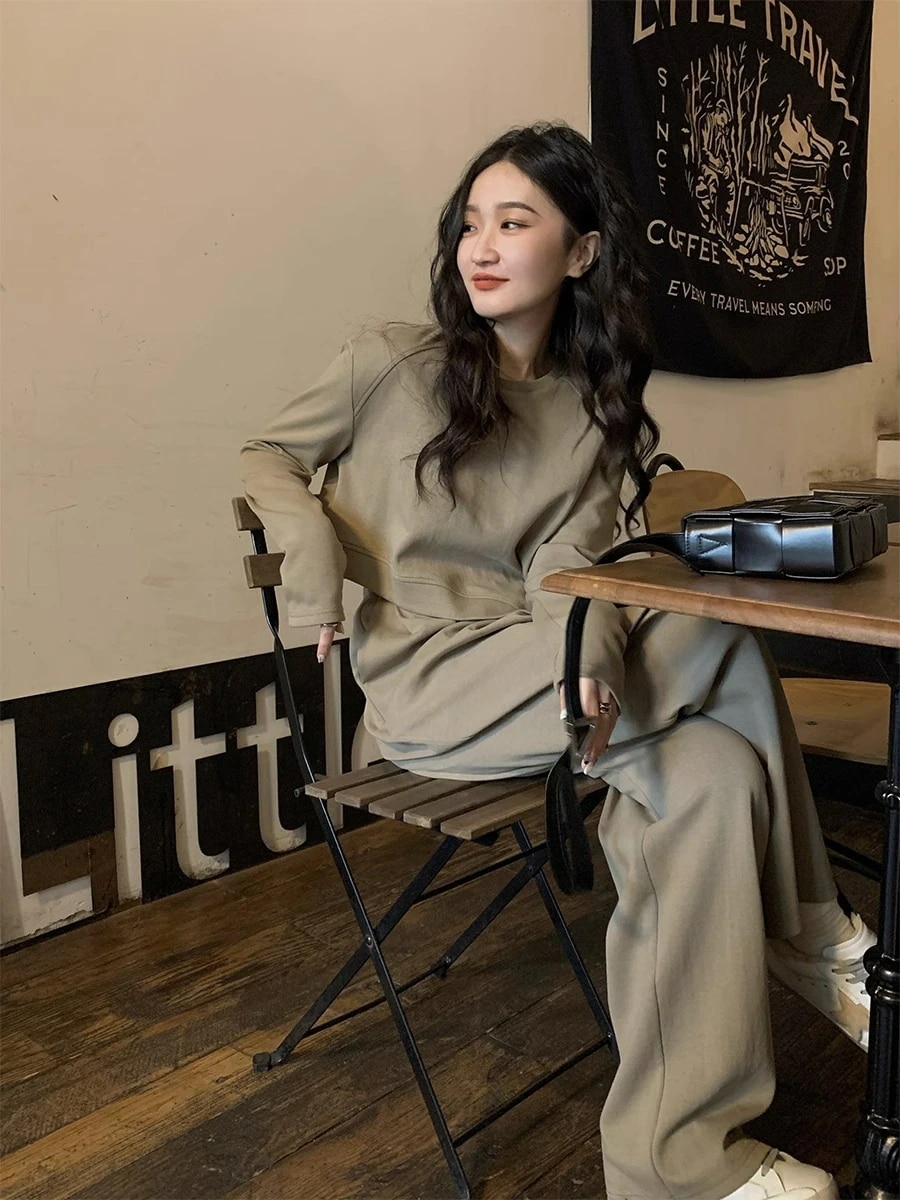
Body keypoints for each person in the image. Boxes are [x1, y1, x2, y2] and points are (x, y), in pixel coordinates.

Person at [241, 123, 874, 1200]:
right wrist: (308, 550)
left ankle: (675, 1163)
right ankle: (816, 935)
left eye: (514, 222)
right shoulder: (388, 363)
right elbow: (265, 457)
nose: (482, 248)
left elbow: (574, 574)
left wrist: (591, 651)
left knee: (716, 779)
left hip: (548, 671)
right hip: (429, 687)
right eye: (470, 225)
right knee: (719, 625)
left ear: (580, 252)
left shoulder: (594, 412)